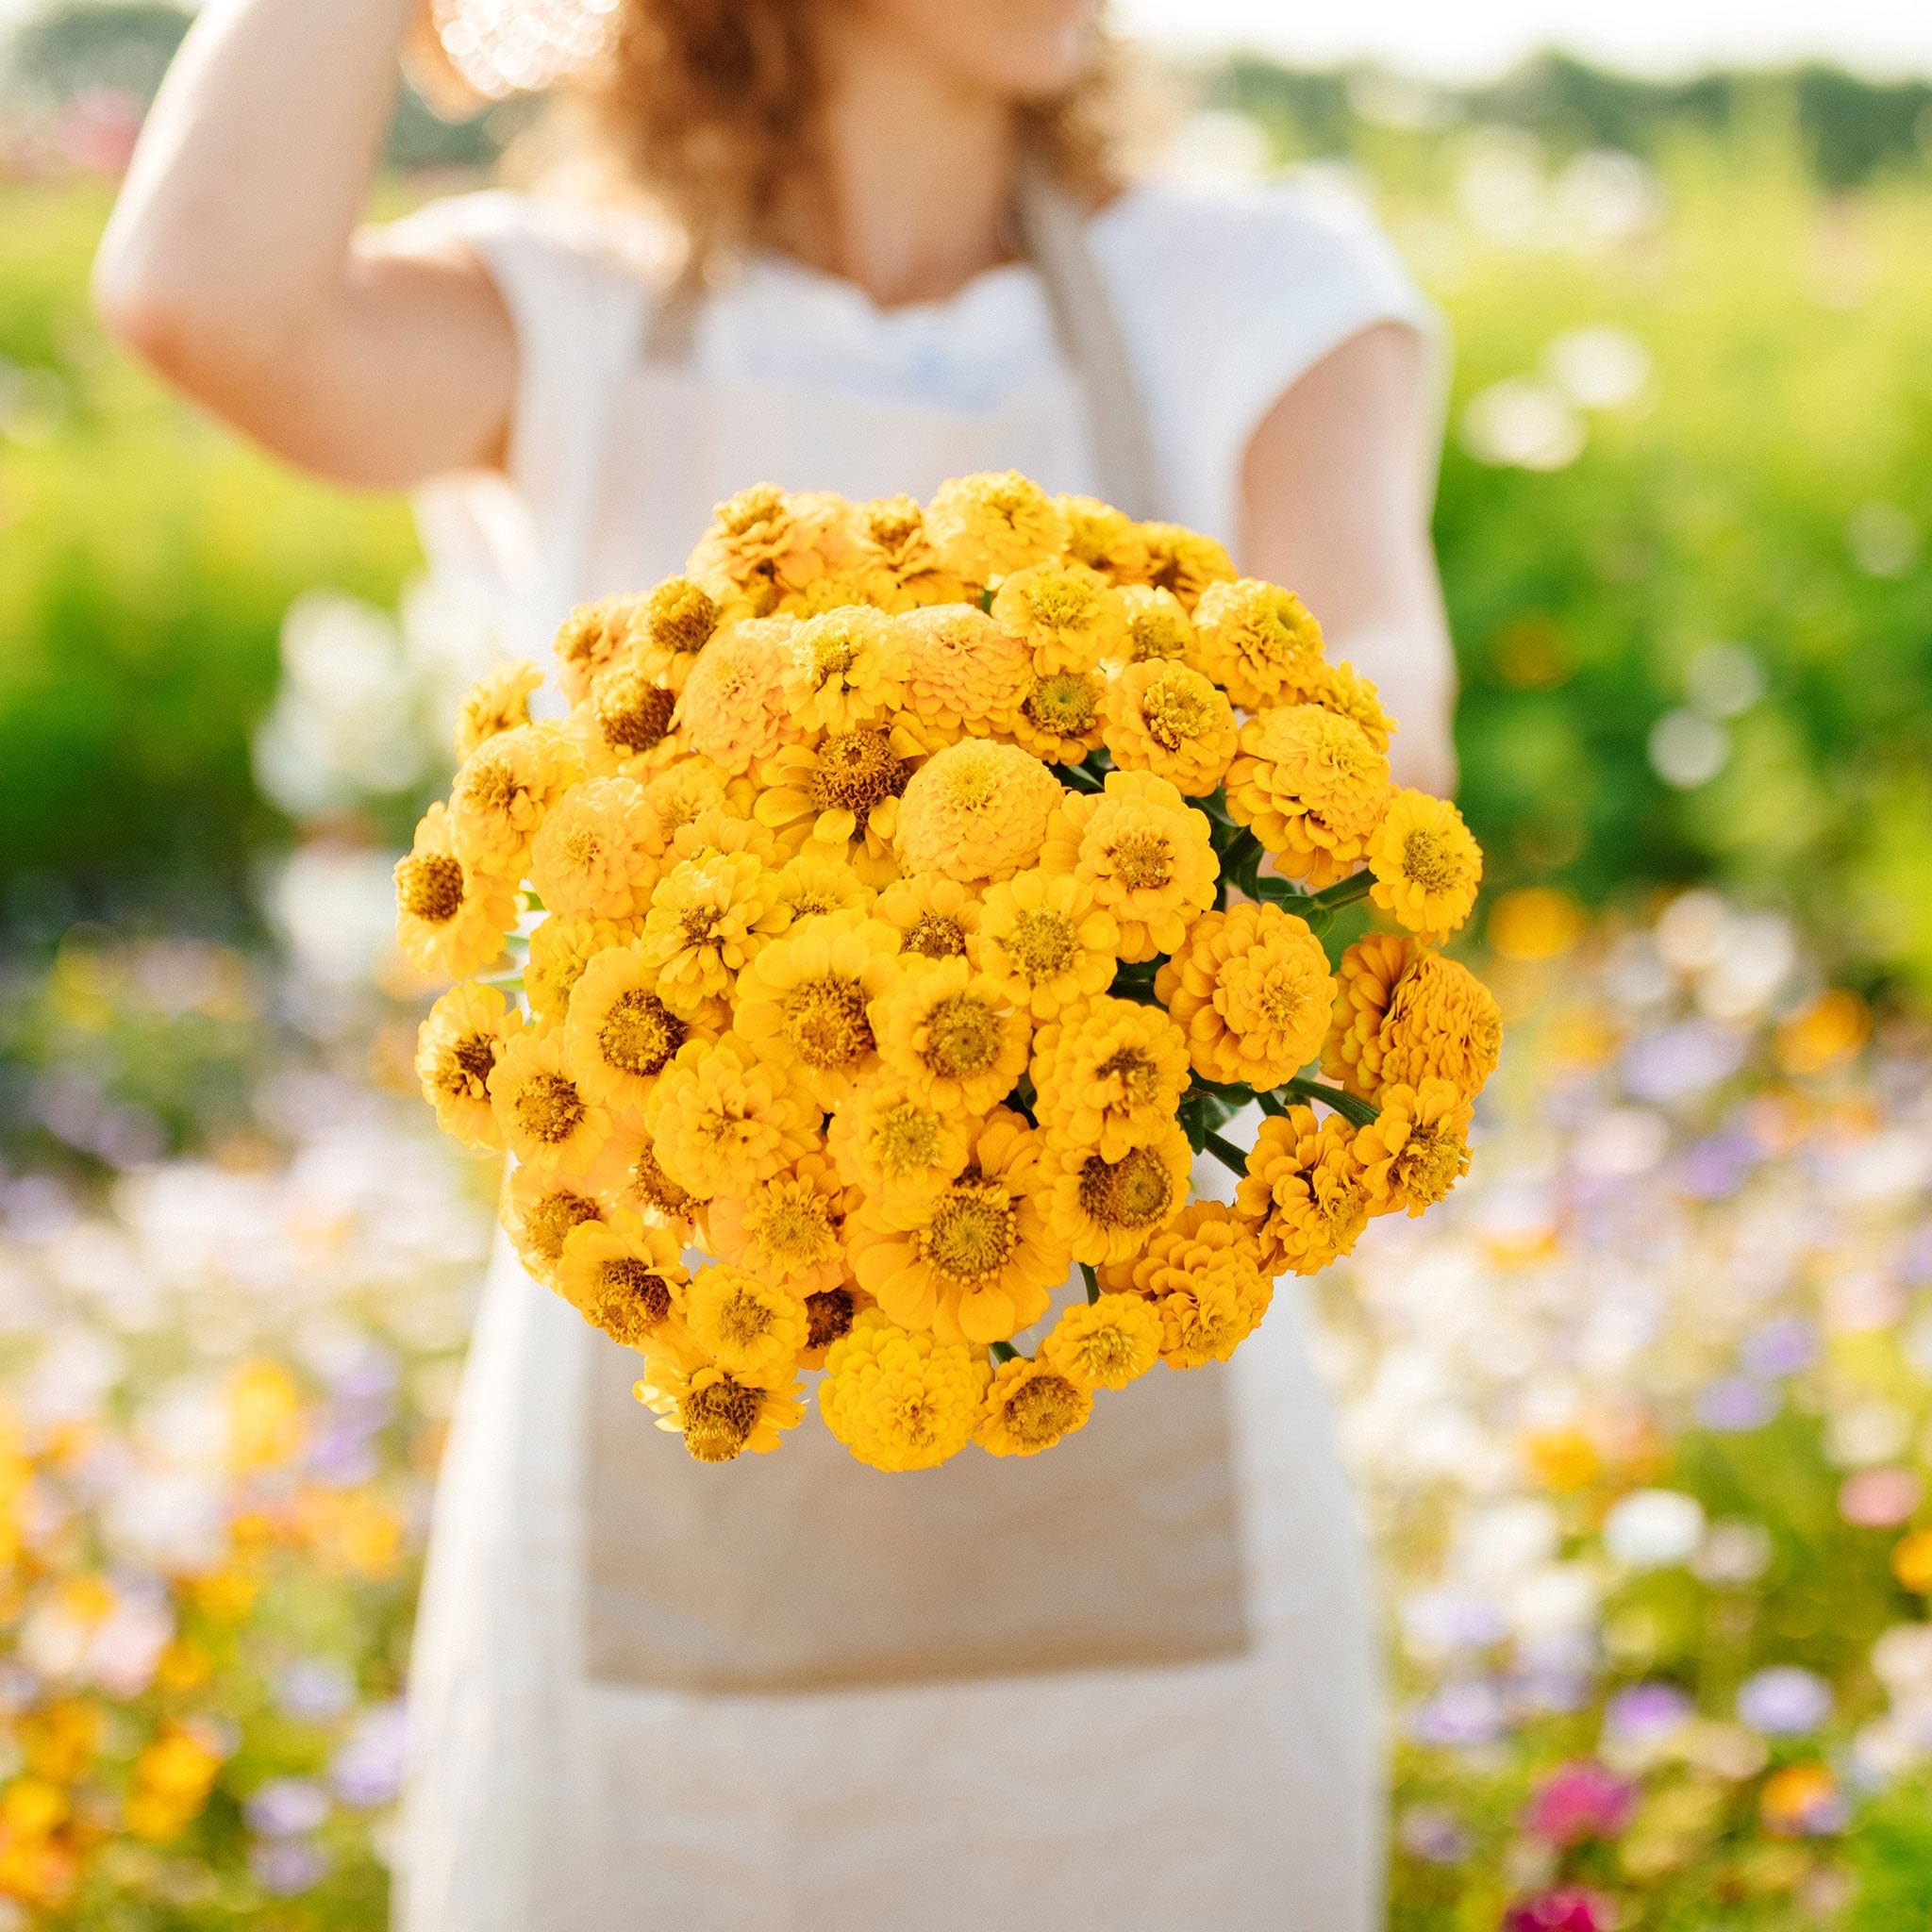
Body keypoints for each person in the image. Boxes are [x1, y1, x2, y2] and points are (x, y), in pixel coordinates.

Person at [97, 3, 1457, 1926]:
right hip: (665, 1477)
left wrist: (1064, 849)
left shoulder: (1254, 283)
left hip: (1139, 1439)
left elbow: (1386, 720)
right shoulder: (563, 306)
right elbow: (200, 299)